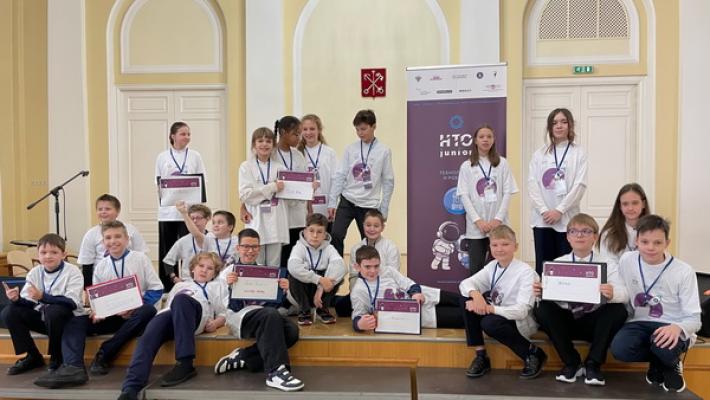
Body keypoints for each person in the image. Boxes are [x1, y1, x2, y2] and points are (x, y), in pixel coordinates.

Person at [34, 221, 163, 389]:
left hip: (136, 315)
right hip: (113, 316)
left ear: (127, 239)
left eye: (118, 236)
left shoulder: (140, 259)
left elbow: (157, 289)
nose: (113, 241)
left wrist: (134, 307)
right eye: (108, 238)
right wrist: (97, 311)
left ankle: (105, 353)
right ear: (103, 242)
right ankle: (73, 367)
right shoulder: (101, 266)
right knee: (76, 319)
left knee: (148, 311)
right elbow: (97, 298)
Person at [117, 252, 228, 400]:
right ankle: (131, 388)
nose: (204, 270)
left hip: (197, 316)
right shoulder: (180, 285)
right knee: (149, 334)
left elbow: (223, 313)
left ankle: (185, 363)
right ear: (193, 268)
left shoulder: (218, 286)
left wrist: (215, 323)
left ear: (215, 273)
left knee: (182, 300)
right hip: (172, 316)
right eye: (201, 266)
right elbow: (170, 306)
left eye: (210, 268)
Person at [533, 213, 628, 385]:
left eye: (586, 231)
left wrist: (612, 293)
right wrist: (541, 293)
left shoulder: (608, 264)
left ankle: (593, 364)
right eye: (574, 231)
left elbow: (625, 294)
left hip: (595, 323)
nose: (579, 235)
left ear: (595, 237)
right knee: (542, 308)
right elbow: (549, 296)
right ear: (567, 237)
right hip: (567, 321)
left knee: (618, 309)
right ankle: (571, 362)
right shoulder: (557, 263)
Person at [610, 215, 701, 393]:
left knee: (664, 348)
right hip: (638, 323)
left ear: (667, 243)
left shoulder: (684, 271)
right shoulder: (627, 260)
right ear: (636, 241)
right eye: (645, 242)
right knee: (620, 350)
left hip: (671, 324)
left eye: (657, 243)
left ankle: (670, 362)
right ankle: (659, 361)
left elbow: (695, 320)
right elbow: (620, 290)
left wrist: (677, 328)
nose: (650, 248)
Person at [214, 228, 304, 392]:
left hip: (265, 317)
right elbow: (219, 304)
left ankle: (244, 356)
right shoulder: (227, 273)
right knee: (270, 314)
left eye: (254, 247)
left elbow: (290, 303)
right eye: (246, 246)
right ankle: (276, 372)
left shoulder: (268, 272)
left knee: (291, 331)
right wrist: (228, 286)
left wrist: (286, 290)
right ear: (238, 248)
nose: (250, 251)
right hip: (240, 317)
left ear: (259, 248)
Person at [459, 225, 546, 379]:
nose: (499, 249)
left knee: (489, 323)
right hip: (497, 313)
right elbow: (465, 284)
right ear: (490, 247)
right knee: (466, 297)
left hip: (518, 320)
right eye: (495, 245)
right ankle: (481, 356)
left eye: (505, 244)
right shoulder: (492, 266)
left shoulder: (526, 273)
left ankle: (532, 353)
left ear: (515, 247)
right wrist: (476, 294)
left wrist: (489, 309)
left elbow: (521, 312)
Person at [1, 234, 84, 375]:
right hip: (45, 319)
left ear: (64, 254)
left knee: (54, 311)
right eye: (43, 252)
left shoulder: (73, 271)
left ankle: (57, 357)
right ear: (38, 255)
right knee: (9, 312)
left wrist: (43, 297)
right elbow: (29, 303)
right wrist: (16, 299)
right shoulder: (35, 272)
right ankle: (33, 356)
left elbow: (71, 303)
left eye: (54, 252)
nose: (48, 256)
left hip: (68, 320)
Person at [528, 108, 587, 275]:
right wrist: (544, 210)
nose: (559, 126)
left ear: (570, 125)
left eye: (563, 122)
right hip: (542, 220)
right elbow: (532, 184)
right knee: (544, 268)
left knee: (566, 269)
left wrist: (560, 210)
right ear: (549, 127)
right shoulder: (539, 154)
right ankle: (545, 293)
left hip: (567, 219)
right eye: (554, 123)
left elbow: (580, 185)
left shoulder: (578, 152)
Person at [328, 109, 395, 255]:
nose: (360, 133)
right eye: (357, 129)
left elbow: (388, 181)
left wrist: (384, 208)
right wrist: (332, 201)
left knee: (369, 241)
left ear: (374, 126)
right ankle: (337, 266)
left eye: (363, 129)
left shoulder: (384, 151)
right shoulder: (350, 149)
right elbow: (340, 175)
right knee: (336, 234)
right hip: (347, 200)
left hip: (369, 204)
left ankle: (367, 269)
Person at [351, 245, 463, 331]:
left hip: (425, 296)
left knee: (463, 301)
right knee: (463, 316)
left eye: (376, 266)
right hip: (418, 316)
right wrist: (359, 324)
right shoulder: (358, 290)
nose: (373, 271)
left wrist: (415, 293)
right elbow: (358, 316)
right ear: (357, 267)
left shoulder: (388, 271)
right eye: (367, 267)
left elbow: (408, 283)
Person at [457, 124, 518, 275]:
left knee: (502, 267)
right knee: (476, 269)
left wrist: (497, 220)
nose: (485, 140)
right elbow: (464, 195)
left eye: (489, 136)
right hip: (476, 228)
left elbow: (507, 192)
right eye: (481, 137)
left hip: (499, 225)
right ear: (475, 141)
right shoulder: (467, 166)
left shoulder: (502, 163)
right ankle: (477, 292)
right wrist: (478, 221)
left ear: (493, 140)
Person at [155, 121, 207, 290]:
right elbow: (158, 182)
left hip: (189, 211)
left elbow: (202, 180)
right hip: (168, 211)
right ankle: (168, 285)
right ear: (173, 136)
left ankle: (191, 280)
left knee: (189, 246)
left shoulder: (195, 156)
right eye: (183, 134)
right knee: (167, 248)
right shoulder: (162, 156)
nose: (187, 137)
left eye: (188, 134)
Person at [238, 127, 289, 267]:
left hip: (276, 221)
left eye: (268, 141)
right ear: (254, 144)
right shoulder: (246, 167)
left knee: (274, 265)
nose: (264, 144)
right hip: (256, 219)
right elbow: (245, 195)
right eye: (260, 141)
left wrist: (309, 187)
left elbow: (288, 195)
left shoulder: (280, 168)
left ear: (273, 145)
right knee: (256, 263)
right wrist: (272, 187)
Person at [334, 209, 400, 317]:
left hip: (383, 291)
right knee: (340, 308)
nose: (372, 229)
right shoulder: (356, 248)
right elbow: (354, 276)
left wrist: (381, 298)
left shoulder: (391, 247)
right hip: (364, 291)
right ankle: (335, 299)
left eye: (376, 226)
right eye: (368, 225)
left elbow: (393, 276)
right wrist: (357, 296)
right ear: (363, 225)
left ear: (382, 227)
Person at [77, 194, 149, 288]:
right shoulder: (91, 234)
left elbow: (142, 254)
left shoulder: (131, 230)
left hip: (130, 278)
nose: (103, 212)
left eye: (107, 209)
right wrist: (88, 289)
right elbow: (87, 264)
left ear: (117, 211)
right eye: (100, 209)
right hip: (104, 280)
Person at [287, 213, 346, 325]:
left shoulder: (329, 248)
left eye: (319, 232)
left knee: (336, 277)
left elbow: (341, 266)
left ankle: (322, 309)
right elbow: (293, 267)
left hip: (321, 293)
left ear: (325, 235)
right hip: (301, 294)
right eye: (311, 231)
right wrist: (319, 279)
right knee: (294, 276)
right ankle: (304, 311)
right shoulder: (299, 247)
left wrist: (321, 287)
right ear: (305, 232)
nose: (315, 235)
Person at [274, 116, 311, 268]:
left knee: (294, 251)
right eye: (296, 134)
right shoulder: (272, 154)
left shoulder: (298, 155)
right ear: (283, 132)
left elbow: (306, 183)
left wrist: (309, 209)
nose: (299, 138)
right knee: (280, 253)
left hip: (297, 212)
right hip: (279, 210)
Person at [598, 183, 650, 267]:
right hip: (617, 275)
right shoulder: (609, 233)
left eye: (635, 203)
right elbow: (608, 264)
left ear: (643, 204)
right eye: (625, 204)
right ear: (620, 206)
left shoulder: (654, 231)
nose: (630, 208)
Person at [298, 114, 338, 221]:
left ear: (319, 130)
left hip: (326, 205)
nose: (308, 132)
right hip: (305, 208)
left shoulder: (329, 153)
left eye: (312, 129)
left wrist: (333, 203)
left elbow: (335, 180)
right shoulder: (298, 153)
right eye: (305, 129)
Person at [163, 203, 212, 283]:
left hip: (209, 282)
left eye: (198, 218)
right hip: (188, 281)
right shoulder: (183, 241)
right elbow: (168, 261)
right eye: (192, 218)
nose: (195, 221)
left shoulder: (212, 238)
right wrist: (174, 278)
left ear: (207, 219)